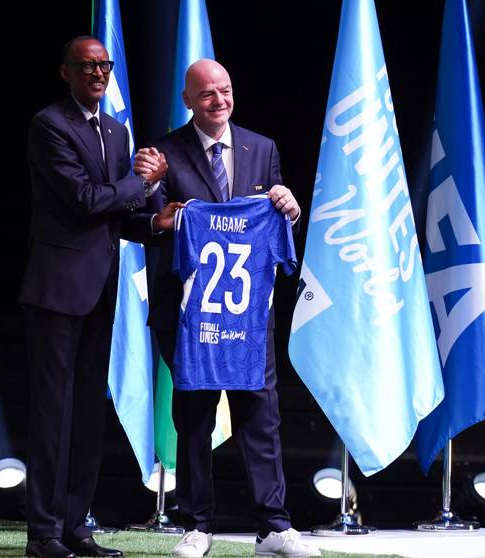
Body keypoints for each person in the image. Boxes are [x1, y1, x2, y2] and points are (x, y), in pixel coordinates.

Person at [150, 59, 321, 557]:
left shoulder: (261, 147)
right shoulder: (165, 151)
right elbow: (145, 220)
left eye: (225, 90)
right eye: (207, 94)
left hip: (247, 316)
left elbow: (276, 220)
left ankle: (273, 527)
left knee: (260, 417)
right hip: (187, 316)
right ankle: (197, 526)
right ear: (189, 100)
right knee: (195, 418)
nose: (219, 100)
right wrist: (166, 219)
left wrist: (288, 205)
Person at [18, 36, 168, 558]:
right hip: (57, 291)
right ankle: (43, 533)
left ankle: (76, 526)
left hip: (101, 291)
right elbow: (84, 201)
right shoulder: (50, 125)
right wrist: (141, 180)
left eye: (104, 65)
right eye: (88, 66)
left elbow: (116, 215)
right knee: (52, 415)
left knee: (86, 415)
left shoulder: (115, 130)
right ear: (66, 73)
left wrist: (156, 219)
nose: (99, 73)